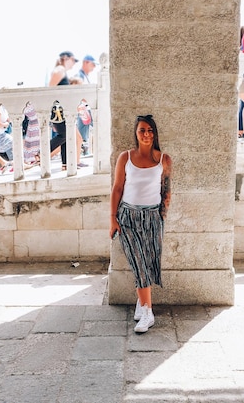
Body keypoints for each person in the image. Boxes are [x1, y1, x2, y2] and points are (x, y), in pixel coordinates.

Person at [109, 114, 172, 334]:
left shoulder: (164, 159)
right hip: (128, 217)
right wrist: (113, 219)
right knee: (138, 263)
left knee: (149, 262)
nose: (146, 134)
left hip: (153, 217)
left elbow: (166, 190)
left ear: (155, 133)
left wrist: (162, 215)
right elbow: (117, 188)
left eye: (150, 130)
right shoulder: (125, 158)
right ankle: (147, 311)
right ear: (136, 133)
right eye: (142, 130)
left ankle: (141, 302)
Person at [48, 52, 87, 169]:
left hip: (61, 110)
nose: (75, 64)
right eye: (74, 60)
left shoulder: (62, 72)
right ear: (66, 59)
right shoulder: (60, 69)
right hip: (58, 111)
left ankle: (66, 164)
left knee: (67, 136)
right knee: (65, 135)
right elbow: (50, 89)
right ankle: (40, 154)